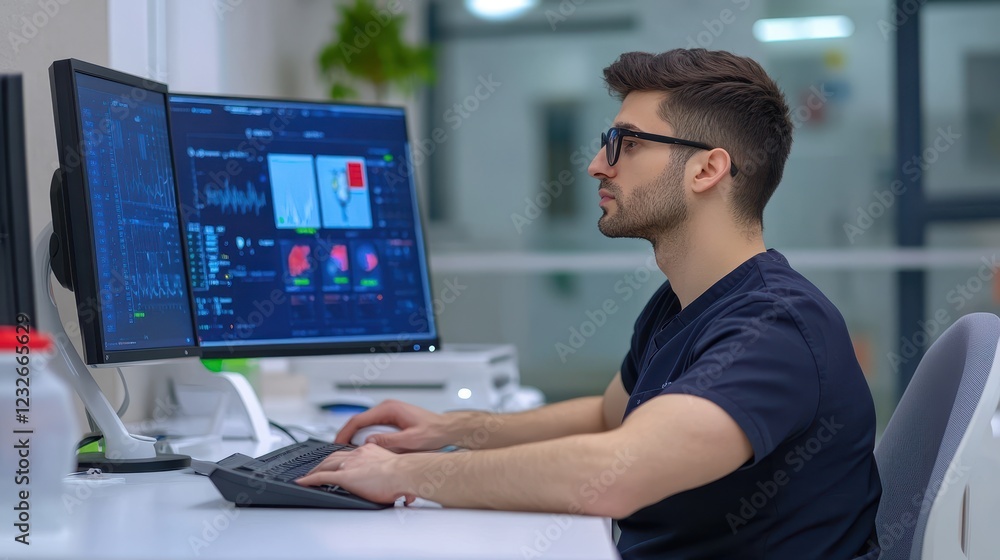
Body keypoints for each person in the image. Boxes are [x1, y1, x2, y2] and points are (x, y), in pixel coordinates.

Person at [297, 48, 881, 559]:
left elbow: (613, 474)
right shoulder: (684, 302)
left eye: (624, 144)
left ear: (707, 168)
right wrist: (453, 429)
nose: (597, 164)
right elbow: (608, 417)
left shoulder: (775, 327)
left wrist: (403, 473)